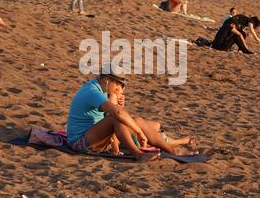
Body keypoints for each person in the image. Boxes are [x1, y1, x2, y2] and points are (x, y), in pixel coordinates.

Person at [66, 67, 197, 162]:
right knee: (117, 118)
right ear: (106, 80)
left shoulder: (100, 90)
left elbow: (113, 114)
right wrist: (138, 132)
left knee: (138, 120)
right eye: (117, 83)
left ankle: (171, 149)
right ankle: (138, 154)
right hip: (80, 142)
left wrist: (119, 105)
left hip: (95, 137)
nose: (118, 88)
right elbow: (116, 114)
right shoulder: (92, 91)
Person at [107, 91, 196, 156]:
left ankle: (175, 143)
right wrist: (115, 148)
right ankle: (174, 147)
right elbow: (115, 119)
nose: (120, 92)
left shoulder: (109, 93)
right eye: (118, 88)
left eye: (122, 89)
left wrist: (121, 106)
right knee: (140, 124)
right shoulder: (111, 95)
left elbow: (118, 116)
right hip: (111, 134)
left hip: (115, 129)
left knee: (156, 126)